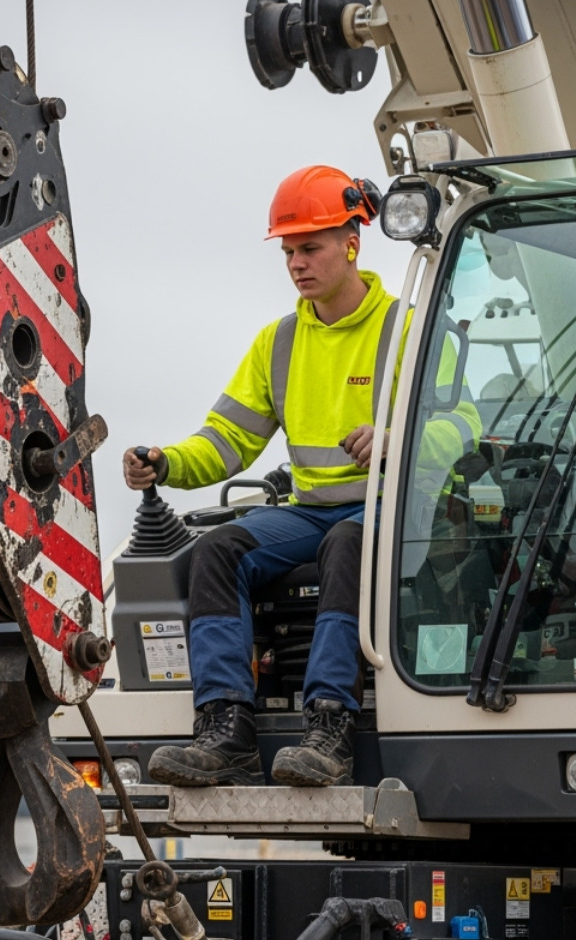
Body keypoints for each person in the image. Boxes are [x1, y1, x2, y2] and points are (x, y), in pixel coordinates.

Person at [121, 165, 478, 788]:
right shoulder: (279, 342)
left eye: (310, 248)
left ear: (352, 244)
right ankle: (225, 727)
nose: (296, 263)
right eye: (288, 251)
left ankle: (329, 725)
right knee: (218, 550)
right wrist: (167, 461)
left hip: (392, 509)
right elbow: (227, 439)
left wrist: (396, 443)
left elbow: (465, 425)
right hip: (313, 511)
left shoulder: (407, 329)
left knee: (347, 542)